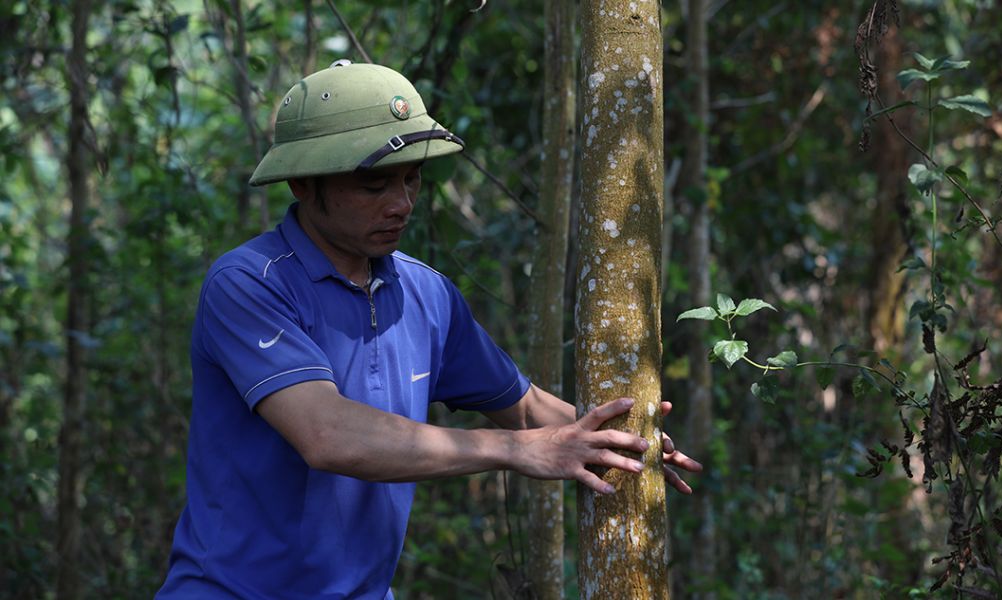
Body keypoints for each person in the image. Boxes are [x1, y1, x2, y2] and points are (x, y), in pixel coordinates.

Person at [156, 60, 701, 599]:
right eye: (374, 184)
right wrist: (516, 450)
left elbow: (527, 407)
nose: (401, 204)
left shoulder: (426, 294)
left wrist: (623, 443)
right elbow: (327, 435)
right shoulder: (248, 283)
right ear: (303, 181)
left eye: (411, 179)